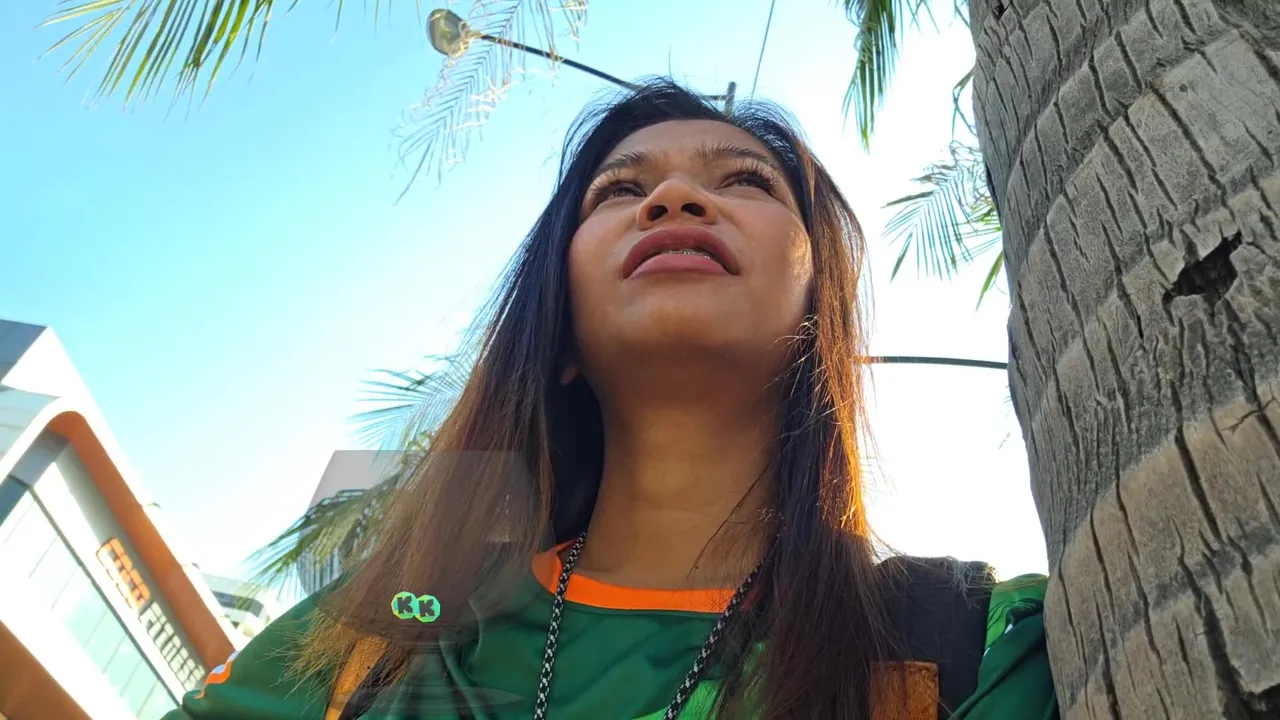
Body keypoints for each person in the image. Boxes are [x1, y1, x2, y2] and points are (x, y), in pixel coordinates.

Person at [165, 79, 1057, 720]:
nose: (674, 197)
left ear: (819, 311)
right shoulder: (380, 639)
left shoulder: (978, 648)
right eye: (621, 190)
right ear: (556, 335)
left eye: (745, 181)